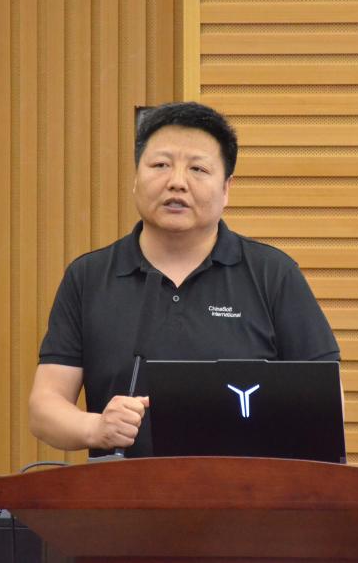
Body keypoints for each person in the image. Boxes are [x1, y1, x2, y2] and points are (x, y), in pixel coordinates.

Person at [28, 101, 339, 457]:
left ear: (226, 188)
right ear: (136, 178)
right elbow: (45, 406)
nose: (176, 182)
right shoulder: (88, 277)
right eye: (160, 165)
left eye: (198, 169)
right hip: (124, 490)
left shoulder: (273, 274)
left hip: (246, 490)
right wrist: (96, 427)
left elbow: (327, 403)